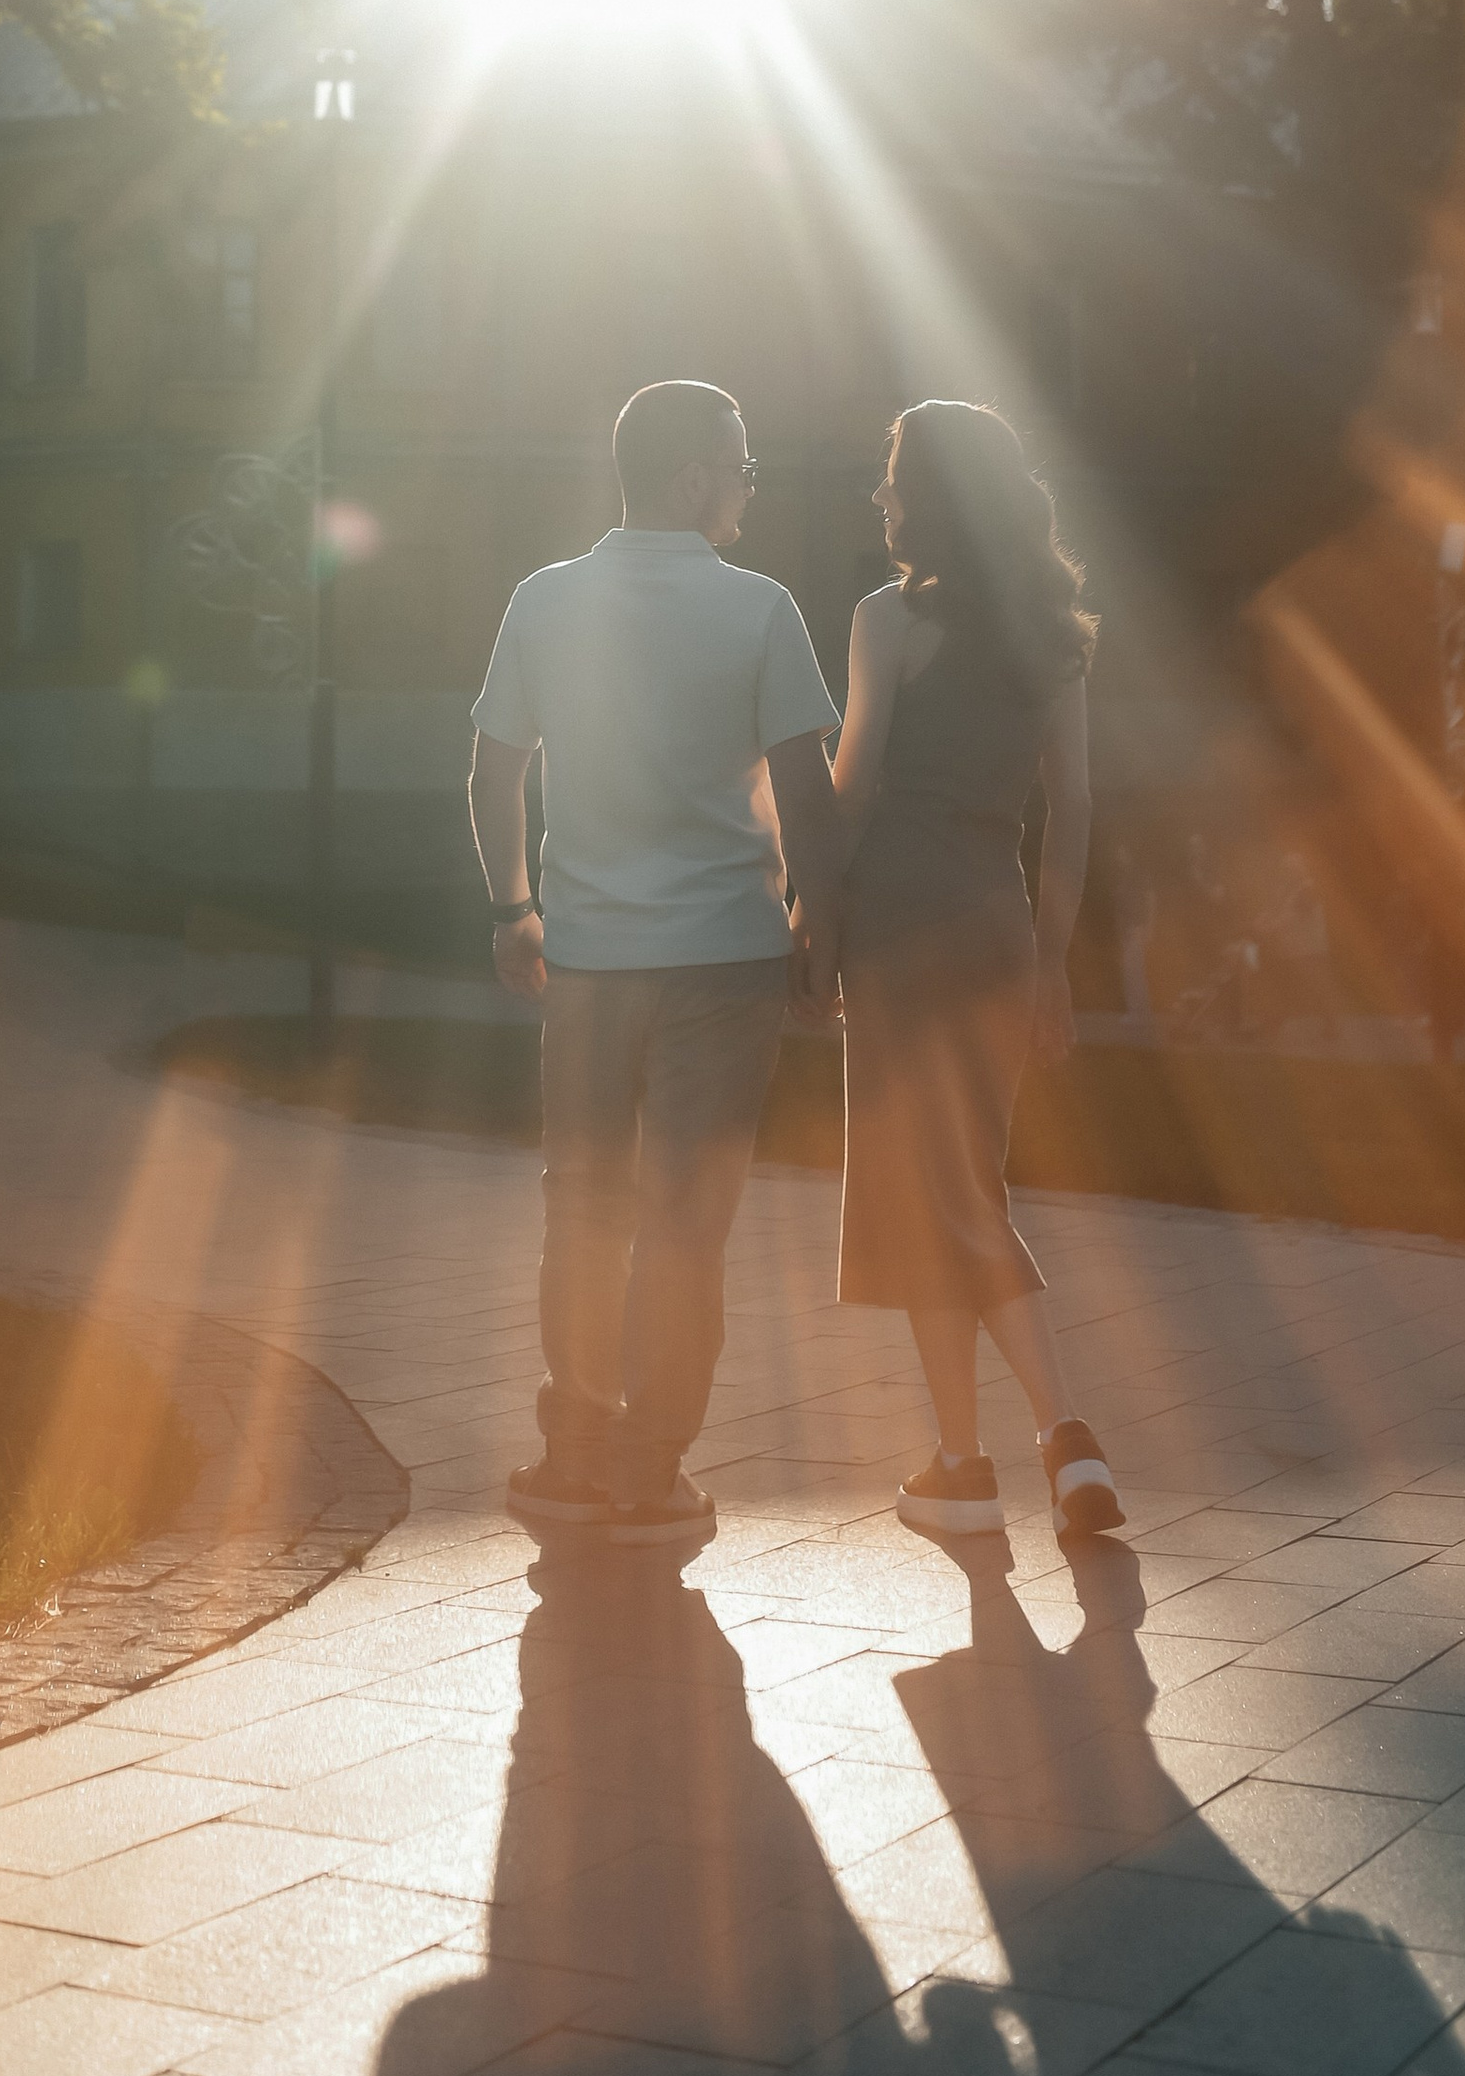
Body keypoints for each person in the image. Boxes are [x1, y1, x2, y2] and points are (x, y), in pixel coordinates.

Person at [469, 378, 845, 1551]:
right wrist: (816, 927)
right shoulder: (761, 609)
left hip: (584, 959)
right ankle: (649, 1471)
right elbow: (805, 789)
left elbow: (490, 776)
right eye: (738, 462)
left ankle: (572, 1446)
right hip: (725, 960)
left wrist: (511, 909)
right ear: (692, 477)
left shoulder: (542, 599)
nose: (747, 483)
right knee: (684, 1221)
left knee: (580, 1205)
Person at [820, 399, 1125, 1544]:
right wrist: (1050, 964)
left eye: (895, 477)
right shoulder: (1054, 632)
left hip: (899, 925)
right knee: (948, 1192)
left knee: (941, 1194)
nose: (883, 496)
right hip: (996, 926)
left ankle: (1063, 1432)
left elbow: (851, 792)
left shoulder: (884, 619)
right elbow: (1075, 804)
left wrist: (814, 921)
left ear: (931, 492)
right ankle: (959, 1461)